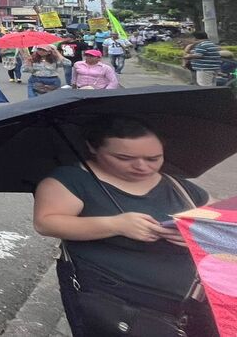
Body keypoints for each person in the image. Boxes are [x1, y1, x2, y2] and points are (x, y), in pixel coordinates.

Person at [33, 117, 217, 336]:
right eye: (124, 158)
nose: (141, 166)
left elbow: (221, 228)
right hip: (116, 302)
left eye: (153, 158)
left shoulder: (181, 188)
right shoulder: (71, 180)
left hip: (191, 301)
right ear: (93, 147)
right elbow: (46, 222)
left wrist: (197, 235)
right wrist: (115, 225)